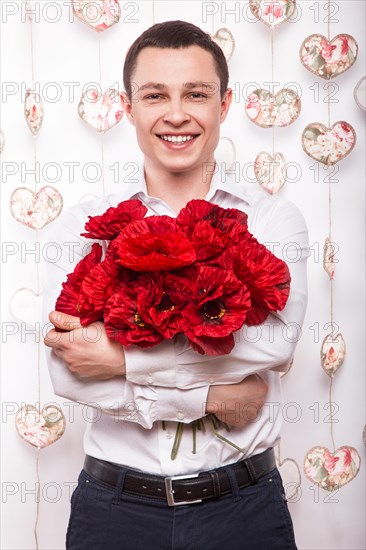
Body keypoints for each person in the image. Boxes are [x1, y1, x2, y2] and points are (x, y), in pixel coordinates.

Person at [42, 20, 310, 550]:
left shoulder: (273, 219)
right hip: (113, 510)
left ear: (225, 104)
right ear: (128, 108)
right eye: (155, 95)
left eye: (196, 93)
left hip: (244, 507)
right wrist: (211, 396)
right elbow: (69, 374)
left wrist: (123, 360)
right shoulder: (88, 226)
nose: (176, 113)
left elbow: (274, 346)